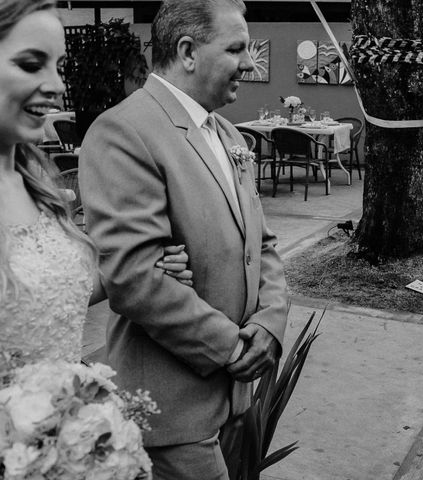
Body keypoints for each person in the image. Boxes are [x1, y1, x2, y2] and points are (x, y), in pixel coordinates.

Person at [78, 0, 288, 478]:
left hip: (236, 399)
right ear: (188, 51)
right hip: (174, 409)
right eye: (236, 49)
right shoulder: (124, 131)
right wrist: (232, 350)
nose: (250, 63)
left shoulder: (230, 134)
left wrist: (270, 325)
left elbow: (265, 244)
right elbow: (134, 277)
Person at [0, 0, 191, 369]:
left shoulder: (37, 184)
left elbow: (56, 293)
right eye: (30, 65)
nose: (57, 86)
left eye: (59, 68)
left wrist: (150, 266)